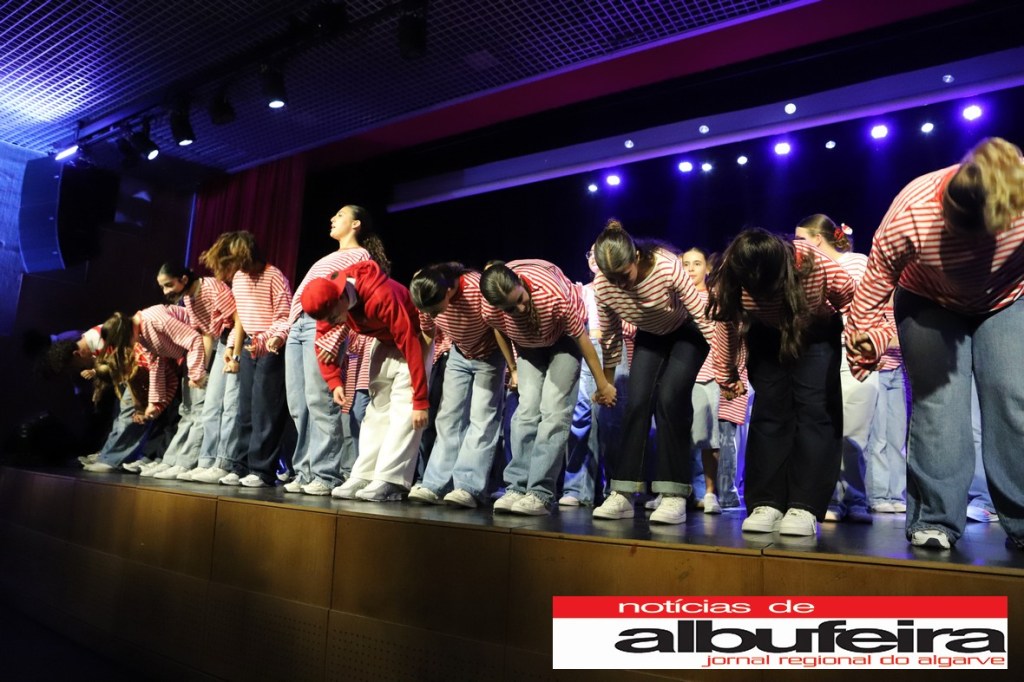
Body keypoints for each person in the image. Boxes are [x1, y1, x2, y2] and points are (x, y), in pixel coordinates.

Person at [846, 137, 1024, 551]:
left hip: (1008, 297)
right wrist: (863, 335)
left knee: (1013, 396)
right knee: (938, 402)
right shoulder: (914, 209)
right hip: (929, 299)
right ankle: (935, 519)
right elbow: (876, 281)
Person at [708, 228, 854, 536]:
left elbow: (849, 294)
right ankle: (767, 502)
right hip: (765, 333)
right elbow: (726, 325)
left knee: (814, 411)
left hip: (814, 331)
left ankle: (804, 505)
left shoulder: (812, 264)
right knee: (770, 412)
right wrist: (727, 373)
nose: (761, 294)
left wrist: (859, 338)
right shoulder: (730, 274)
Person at [589, 221, 712, 525]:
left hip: (687, 331)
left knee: (670, 399)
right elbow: (611, 335)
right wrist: (606, 381)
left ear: (637, 257)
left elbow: (701, 316)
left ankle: (673, 495)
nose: (619, 284)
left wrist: (726, 367)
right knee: (637, 402)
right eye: (612, 278)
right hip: (651, 334)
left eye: (624, 276)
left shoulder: (666, 267)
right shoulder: (604, 285)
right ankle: (623, 492)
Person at [481, 259, 616, 516]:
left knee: (554, 411)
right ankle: (517, 487)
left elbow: (582, 340)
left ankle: (540, 493)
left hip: (564, 340)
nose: (520, 308)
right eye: (510, 308)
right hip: (528, 346)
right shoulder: (491, 308)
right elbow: (499, 330)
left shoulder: (551, 295)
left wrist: (602, 384)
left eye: (520, 299)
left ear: (521, 283)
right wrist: (513, 368)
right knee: (526, 412)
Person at [302, 259, 431, 502]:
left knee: (404, 408)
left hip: (414, 338)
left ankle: (391, 479)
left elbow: (408, 341)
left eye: (333, 316)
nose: (332, 322)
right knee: (376, 409)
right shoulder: (329, 297)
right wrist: (333, 380)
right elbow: (322, 339)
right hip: (384, 340)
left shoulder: (380, 295)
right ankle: (365, 474)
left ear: (342, 297)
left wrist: (420, 400)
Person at [284, 205, 383, 496]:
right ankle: (304, 472)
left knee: (320, 400)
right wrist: (290, 325)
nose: (332, 218)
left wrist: (334, 336)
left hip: (321, 326)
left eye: (340, 215)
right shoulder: (327, 258)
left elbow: (345, 303)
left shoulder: (360, 256)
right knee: (298, 403)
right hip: (298, 326)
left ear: (356, 224)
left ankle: (326, 474)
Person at [795, 214, 876, 524]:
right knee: (824, 429)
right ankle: (827, 497)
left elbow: (856, 304)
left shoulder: (854, 262)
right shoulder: (806, 270)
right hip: (819, 352)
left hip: (850, 351)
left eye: (800, 239)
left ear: (817, 240)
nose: (796, 246)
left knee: (853, 433)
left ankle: (855, 498)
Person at [408, 262, 506, 509]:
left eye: (435, 310)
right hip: (459, 354)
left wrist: (512, 367)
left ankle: (468, 486)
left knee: (482, 419)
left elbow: (500, 327)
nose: (432, 315)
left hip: (489, 356)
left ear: (449, 291)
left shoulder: (475, 289)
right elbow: (428, 334)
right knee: (448, 418)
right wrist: (421, 374)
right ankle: (435, 484)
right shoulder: (426, 292)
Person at [209, 231, 293, 488]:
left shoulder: (274, 276)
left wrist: (271, 339)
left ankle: (262, 471)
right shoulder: (239, 278)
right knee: (244, 410)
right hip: (247, 347)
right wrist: (233, 349)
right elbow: (241, 318)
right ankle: (240, 466)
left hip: (270, 348)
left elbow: (284, 316)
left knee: (265, 410)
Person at [148, 262, 235, 480]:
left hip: (229, 344)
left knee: (207, 409)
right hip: (209, 348)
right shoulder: (188, 298)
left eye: (169, 285)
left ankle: (193, 462)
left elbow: (235, 319)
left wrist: (226, 355)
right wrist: (201, 368)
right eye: (163, 287)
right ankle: (176, 461)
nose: (166, 292)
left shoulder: (211, 287)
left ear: (184, 279)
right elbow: (204, 334)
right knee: (191, 410)